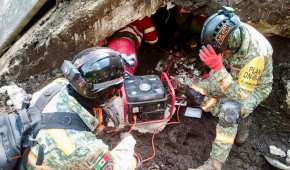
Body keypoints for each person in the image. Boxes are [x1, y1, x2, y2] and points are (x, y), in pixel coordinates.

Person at [0, 47, 140, 170]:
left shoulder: (58, 85)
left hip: (29, 144)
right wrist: (130, 147)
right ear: (107, 92)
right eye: (117, 88)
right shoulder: (81, 148)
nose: (117, 92)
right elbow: (116, 166)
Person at [174, 7, 273, 170]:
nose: (223, 52)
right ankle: (224, 112)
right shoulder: (233, 32)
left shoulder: (256, 55)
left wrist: (218, 68)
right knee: (194, 90)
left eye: (223, 50)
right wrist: (216, 70)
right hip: (230, 76)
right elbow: (223, 67)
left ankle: (214, 164)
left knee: (230, 110)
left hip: (253, 90)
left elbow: (240, 95)